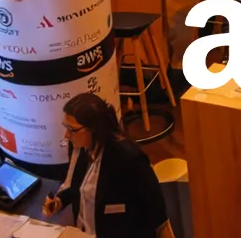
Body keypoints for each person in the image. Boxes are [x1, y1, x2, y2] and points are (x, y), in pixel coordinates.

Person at [42, 93, 168, 237]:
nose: (66, 135)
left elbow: (157, 215)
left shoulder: (130, 159)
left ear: (93, 128)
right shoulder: (80, 148)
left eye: (72, 129)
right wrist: (59, 201)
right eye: (66, 127)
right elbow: (79, 186)